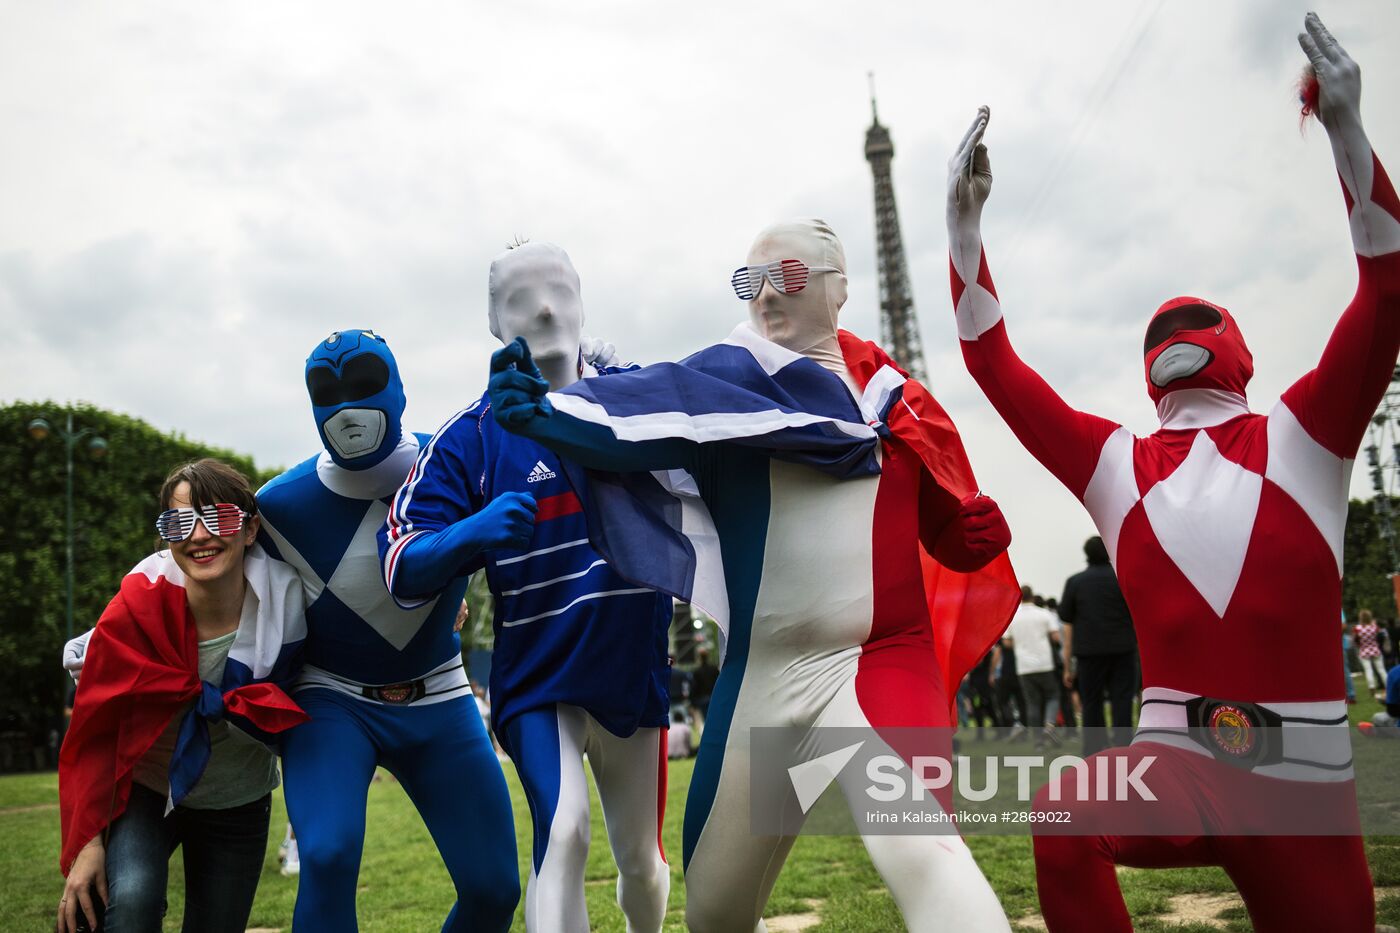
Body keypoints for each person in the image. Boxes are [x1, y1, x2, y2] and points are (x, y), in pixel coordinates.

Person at [945, 14, 1393, 931]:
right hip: (1177, 767)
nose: (1172, 327)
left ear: (1242, 356)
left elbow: (1388, 290)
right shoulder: (1123, 461)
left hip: (1299, 785)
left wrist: (1347, 127)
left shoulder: (1303, 436)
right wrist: (961, 227)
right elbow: (993, 364)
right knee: (1064, 811)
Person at [486, 219, 1019, 932]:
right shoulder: (717, 388)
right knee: (714, 909)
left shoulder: (896, 405)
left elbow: (946, 530)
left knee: (921, 848)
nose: (767, 296)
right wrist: (545, 417)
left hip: (873, 658)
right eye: (751, 282)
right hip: (760, 675)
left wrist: (968, 530)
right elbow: (628, 418)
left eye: (790, 277)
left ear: (839, 287)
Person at [380, 242, 673, 933]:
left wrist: (616, 381)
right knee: (564, 830)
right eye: (520, 298)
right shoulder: (470, 438)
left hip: (633, 667)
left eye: (559, 290)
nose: (544, 308)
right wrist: (472, 532)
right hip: (540, 676)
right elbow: (400, 562)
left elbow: (709, 448)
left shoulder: (634, 401)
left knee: (642, 861)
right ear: (493, 321)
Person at [258, 329, 519, 931]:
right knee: (325, 853)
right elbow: (196, 566)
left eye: (365, 386)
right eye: (327, 391)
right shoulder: (277, 506)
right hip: (331, 700)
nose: (346, 407)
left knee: (494, 887)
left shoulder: (456, 465)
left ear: (399, 389)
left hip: (440, 692)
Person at [57, 459, 308, 933]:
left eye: (219, 517)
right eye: (179, 521)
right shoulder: (137, 607)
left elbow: (357, 609)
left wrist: (442, 607)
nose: (199, 535)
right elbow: (95, 725)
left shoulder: (290, 599)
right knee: (129, 905)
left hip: (240, 799)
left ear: (250, 529)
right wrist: (87, 844)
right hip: (148, 791)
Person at [1058, 537, 1137, 752]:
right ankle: (1123, 745)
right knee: (1122, 698)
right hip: (1123, 649)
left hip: (1089, 652)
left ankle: (1094, 746)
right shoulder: (1121, 578)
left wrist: (1067, 664)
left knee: (1091, 701)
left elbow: (1066, 619)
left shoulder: (1075, 582)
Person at [999, 586, 1062, 750]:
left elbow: (1006, 642)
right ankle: (1049, 725)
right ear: (1033, 596)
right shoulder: (1043, 614)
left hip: (1024, 666)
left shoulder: (1014, 617)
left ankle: (1038, 742)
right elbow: (1056, 637)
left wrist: (1020, 644)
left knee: (1032, 704)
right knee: (1052, 695)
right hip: (1044, 662)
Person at [1353, 609, 1387, 693]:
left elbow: (1355, 640)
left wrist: (1359, 645)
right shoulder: (1375, 627)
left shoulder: (1357, 628)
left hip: (1364, 650)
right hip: (1375, 649)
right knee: (1381, 669)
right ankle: (1388, 685)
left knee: (1368, 670)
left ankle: (1372, 687)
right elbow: (1380, 637)